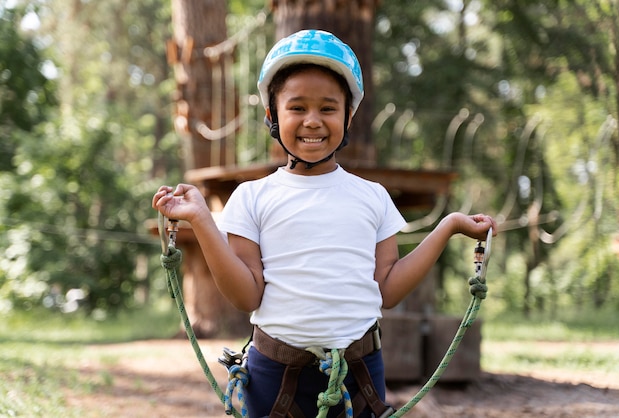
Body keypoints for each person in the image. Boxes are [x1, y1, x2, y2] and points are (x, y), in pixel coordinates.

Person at [153, 29, 497, 418]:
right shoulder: (252, 197)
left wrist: (447, 227)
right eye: (297, 108)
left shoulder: (372, 196)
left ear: (349, 115)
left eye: (328, 109)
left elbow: (387, 290)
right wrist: (201, 220)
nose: (312, 121)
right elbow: (247, 296)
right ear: (272, 115)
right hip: (274, 375)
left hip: (361, 375)